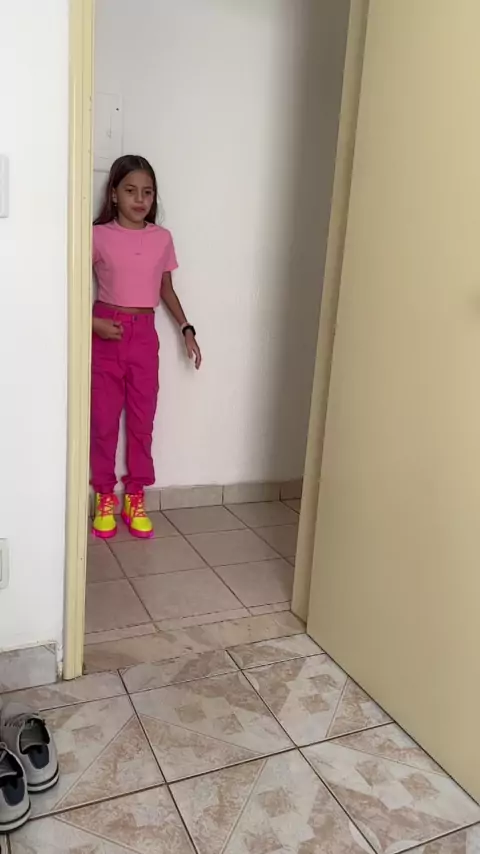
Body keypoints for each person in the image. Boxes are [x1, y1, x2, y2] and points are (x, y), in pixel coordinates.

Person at [90, 154, 201, 539]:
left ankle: (135, 496)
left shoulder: (161, 239)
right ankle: (105, 495)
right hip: (105, 331)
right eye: (130, 191)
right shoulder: (97, 235)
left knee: (142, 421)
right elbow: (67, 285)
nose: (140, 199)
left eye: (147, 192)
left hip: (144, 334)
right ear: (114, 194)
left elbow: (165, 289)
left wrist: (186, 327)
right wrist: (92, 324)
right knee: (103, 421)